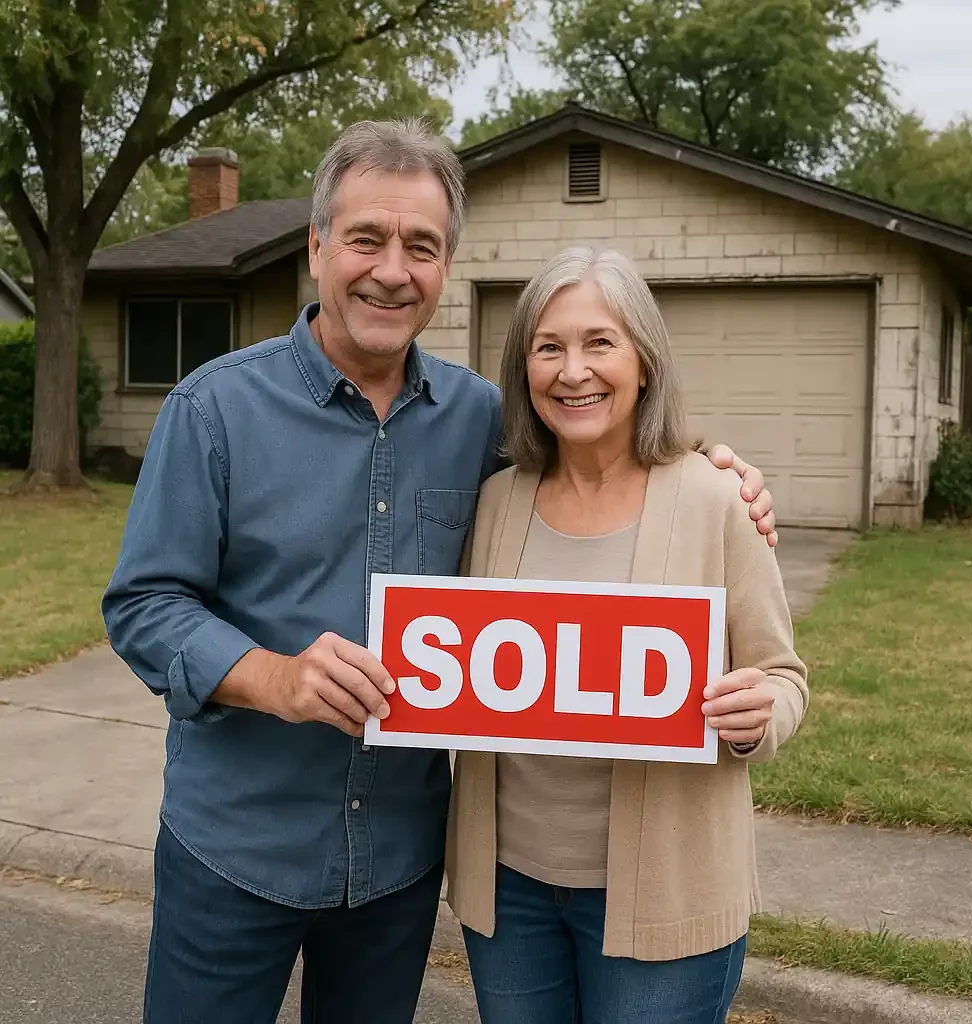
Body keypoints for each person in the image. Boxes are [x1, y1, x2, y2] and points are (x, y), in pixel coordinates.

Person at [102, 121, 778, 1024]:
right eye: (367, 239)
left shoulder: (481, 421)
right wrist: (275, 678)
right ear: (316, 248)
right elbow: (144, 604)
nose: (392, 269)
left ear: (446, 266)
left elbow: (597, 431)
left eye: (420, 246)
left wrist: (715, 465)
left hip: (396, 863)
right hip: (237, 846)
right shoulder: (214, 409)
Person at [445, 245, 809, 1024]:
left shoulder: (715, 499)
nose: (573, 370)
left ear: (645, 361)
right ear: (524, 370)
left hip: (667, 891)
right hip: (508, 891)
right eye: (549, 347)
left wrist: (760, 716)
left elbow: (783, 675)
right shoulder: (495, 501)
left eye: (599, 342)